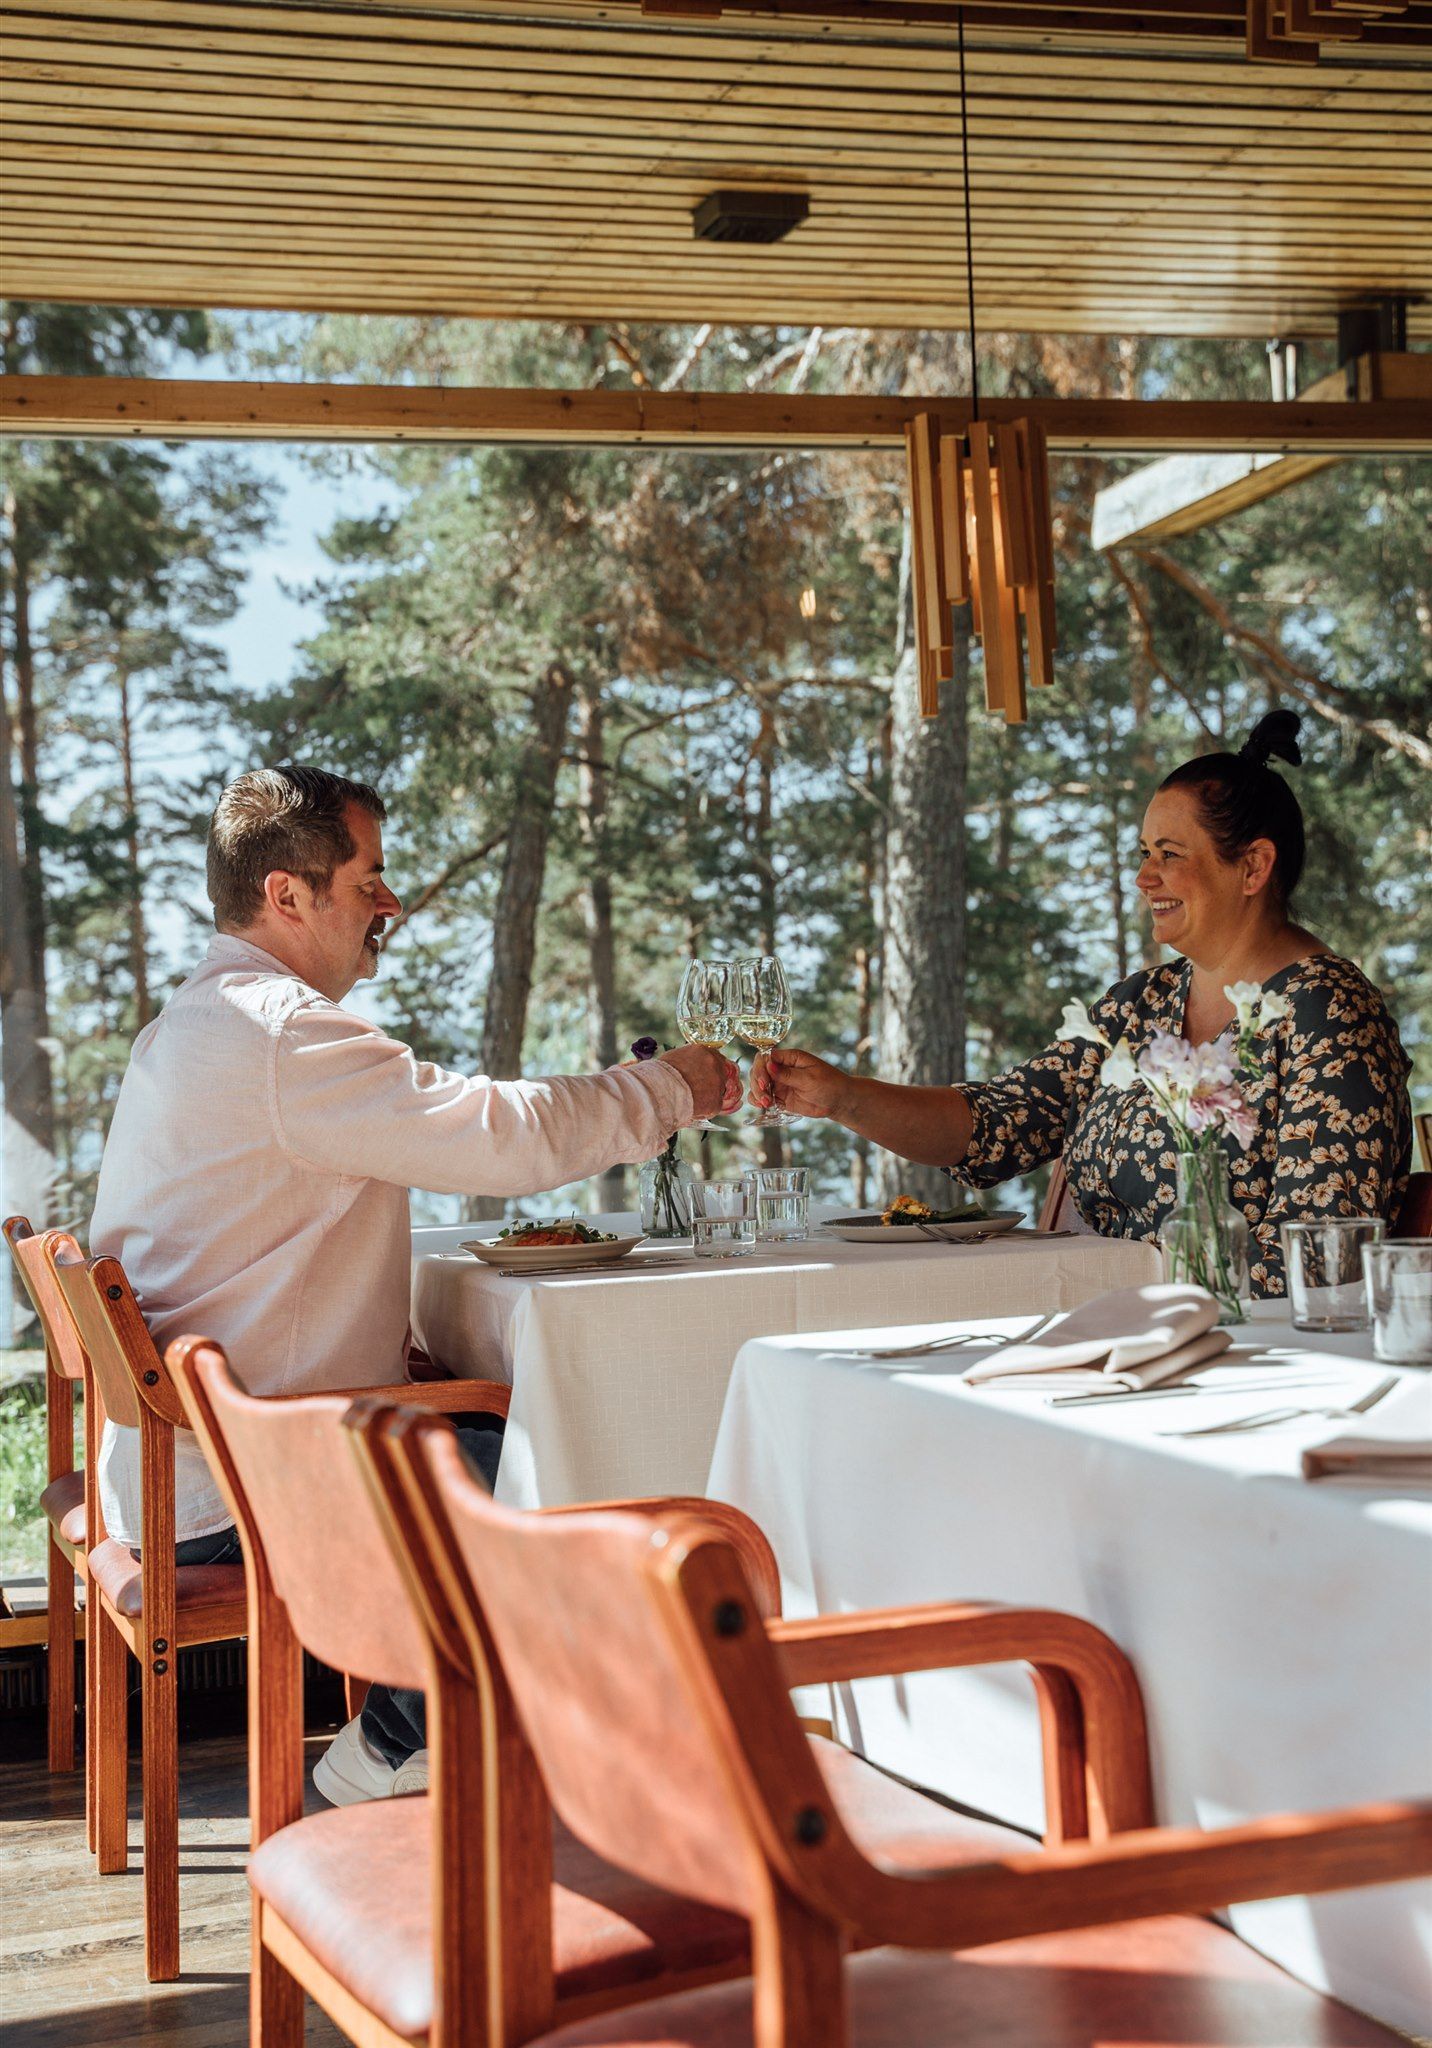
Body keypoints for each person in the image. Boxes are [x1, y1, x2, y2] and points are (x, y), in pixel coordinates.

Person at [90, 764, 740, 1803]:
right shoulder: (279, 1033)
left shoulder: (196, 1023)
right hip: (241, 1485)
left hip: (182, 1469)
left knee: (516, 1426)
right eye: (369, 879)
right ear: (287, 895)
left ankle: (477, 1735)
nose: (389, 905)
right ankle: (400, 1746)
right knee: (557, 1455)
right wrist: (670, 1086)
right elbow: (500, 1136)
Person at [752, 710, 1411, 1294]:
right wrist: (843, 1098)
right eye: (1144, 852)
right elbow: (999, 1125)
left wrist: (1106, 1285)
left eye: (1170, 855)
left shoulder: (1330, 1015)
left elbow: (1322, 1259)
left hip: (1239, 1353)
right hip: (1109, 1319)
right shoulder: (1141, 1003)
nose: (1144, 876)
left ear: (1253, 866)